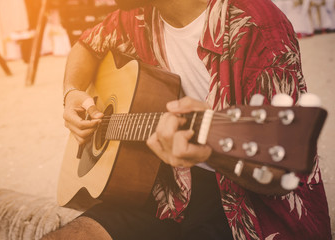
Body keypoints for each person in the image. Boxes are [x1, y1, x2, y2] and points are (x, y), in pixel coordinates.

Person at [43, 0, 332, 239]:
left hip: (247, 211)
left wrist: (210, 150)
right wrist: (72, 93)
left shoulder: (257, 27)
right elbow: (86, 45)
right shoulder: (137, 15)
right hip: (164, 187)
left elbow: (280, 172)